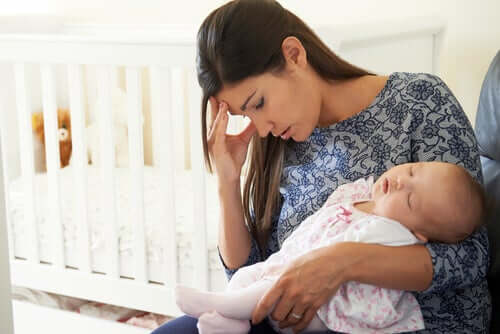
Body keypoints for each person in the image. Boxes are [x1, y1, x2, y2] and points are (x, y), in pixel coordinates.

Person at [152, 0, 491, 333]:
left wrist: (341, 263)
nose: (261, 126)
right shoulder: (282, 142)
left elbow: (471, 257)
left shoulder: (419, 101)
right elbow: (252, 277)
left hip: (418, 324)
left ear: (294, 55)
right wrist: (228, 180)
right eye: (246, 114)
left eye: (258, 102)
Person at [174, 161, 486, 334]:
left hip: (322, 309)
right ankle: (231, 322)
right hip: (287, 267)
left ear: (419, 233)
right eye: (413, 170)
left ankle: (225, 307)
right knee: (246, 277)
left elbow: (474, 257)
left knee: (269, 287)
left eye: (411, 200)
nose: (402, 182)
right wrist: (227, 182)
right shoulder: (362, 193)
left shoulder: (394, 233)